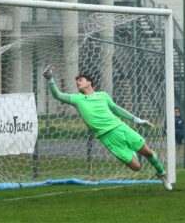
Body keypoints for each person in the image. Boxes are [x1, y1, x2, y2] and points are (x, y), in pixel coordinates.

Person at [42, 66, 172, 191]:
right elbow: (57, 95)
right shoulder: (77, 99)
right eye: (76, 82)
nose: (78, 83)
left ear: (89, 82)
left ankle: (162, 174)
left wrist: (137, 120)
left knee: (148, 153)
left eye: (80, 80)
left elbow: (116, 109)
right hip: (107, 137)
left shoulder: (102, 95)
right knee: (136, 167)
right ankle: (132, 152)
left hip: (120, 127)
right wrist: (50, 79)